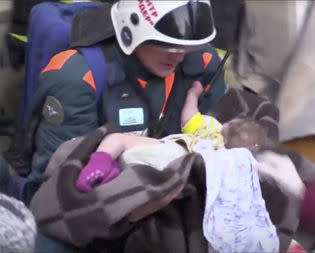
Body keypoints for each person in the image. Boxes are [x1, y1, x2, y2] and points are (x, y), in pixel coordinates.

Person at [0, 1, 226, 252]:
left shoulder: (202, 64)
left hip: (173, 203)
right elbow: (55, 187)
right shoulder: (79, 76)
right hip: (96, 210)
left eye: (186, 45)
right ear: (131, 31)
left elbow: (222, 145)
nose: (179, 55)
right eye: (165, 44)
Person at [75, 81, 273, 193]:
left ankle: (99, 164)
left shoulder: (211, 129)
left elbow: (189, 116)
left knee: (119, 139)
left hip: (176, 153)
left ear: (227, 127)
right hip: (182, 178)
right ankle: (114, 179)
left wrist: (193, 95)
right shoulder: (232, 174)